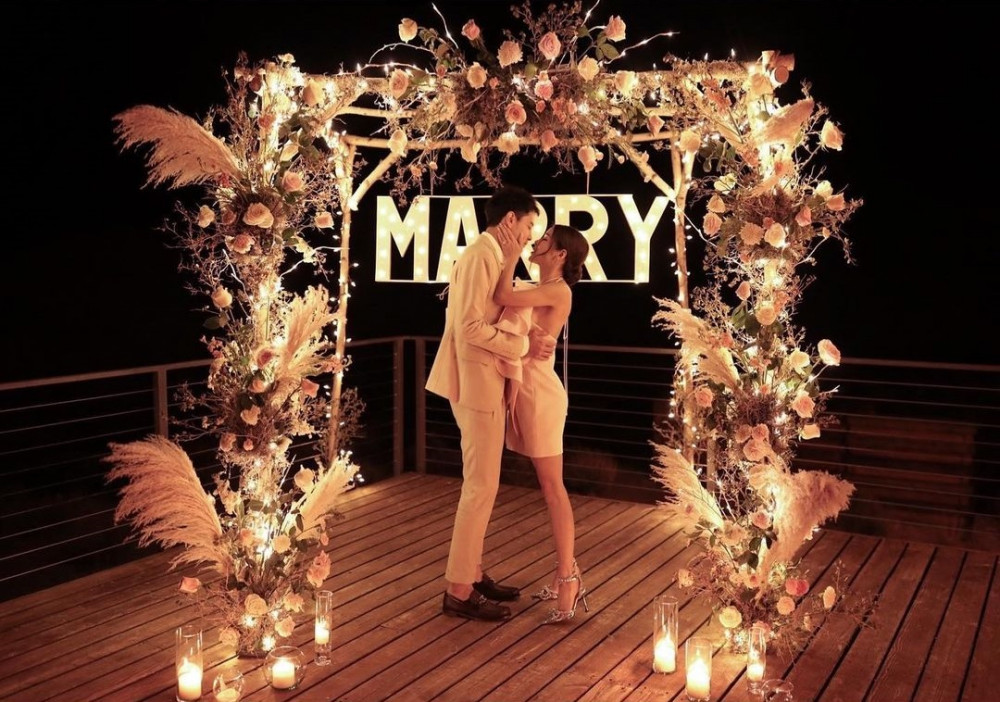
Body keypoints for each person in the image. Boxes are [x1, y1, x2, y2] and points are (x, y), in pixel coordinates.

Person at [426, 184, 557, 622]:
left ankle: (473, 573)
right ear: (509, 219)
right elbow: (468, 327)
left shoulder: (492, 255)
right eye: (529, 224)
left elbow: (488, 316)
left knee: (483, 484)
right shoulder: (483, 255)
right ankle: (459, 591)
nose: (530, 234)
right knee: (480, 486)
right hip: (476, 383)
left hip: (483, 381)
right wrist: (522, 345)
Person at [493, 223, 591, 624]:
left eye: (545, 239)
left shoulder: (558, 290)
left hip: (540, 394)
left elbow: (501, 295)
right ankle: (563, 572)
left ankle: (569, 578)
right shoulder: (544, 288)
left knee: (553, 489)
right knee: (550, 488)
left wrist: (510, 251)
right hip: (528, 387)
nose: (537, 241)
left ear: (561, 254)